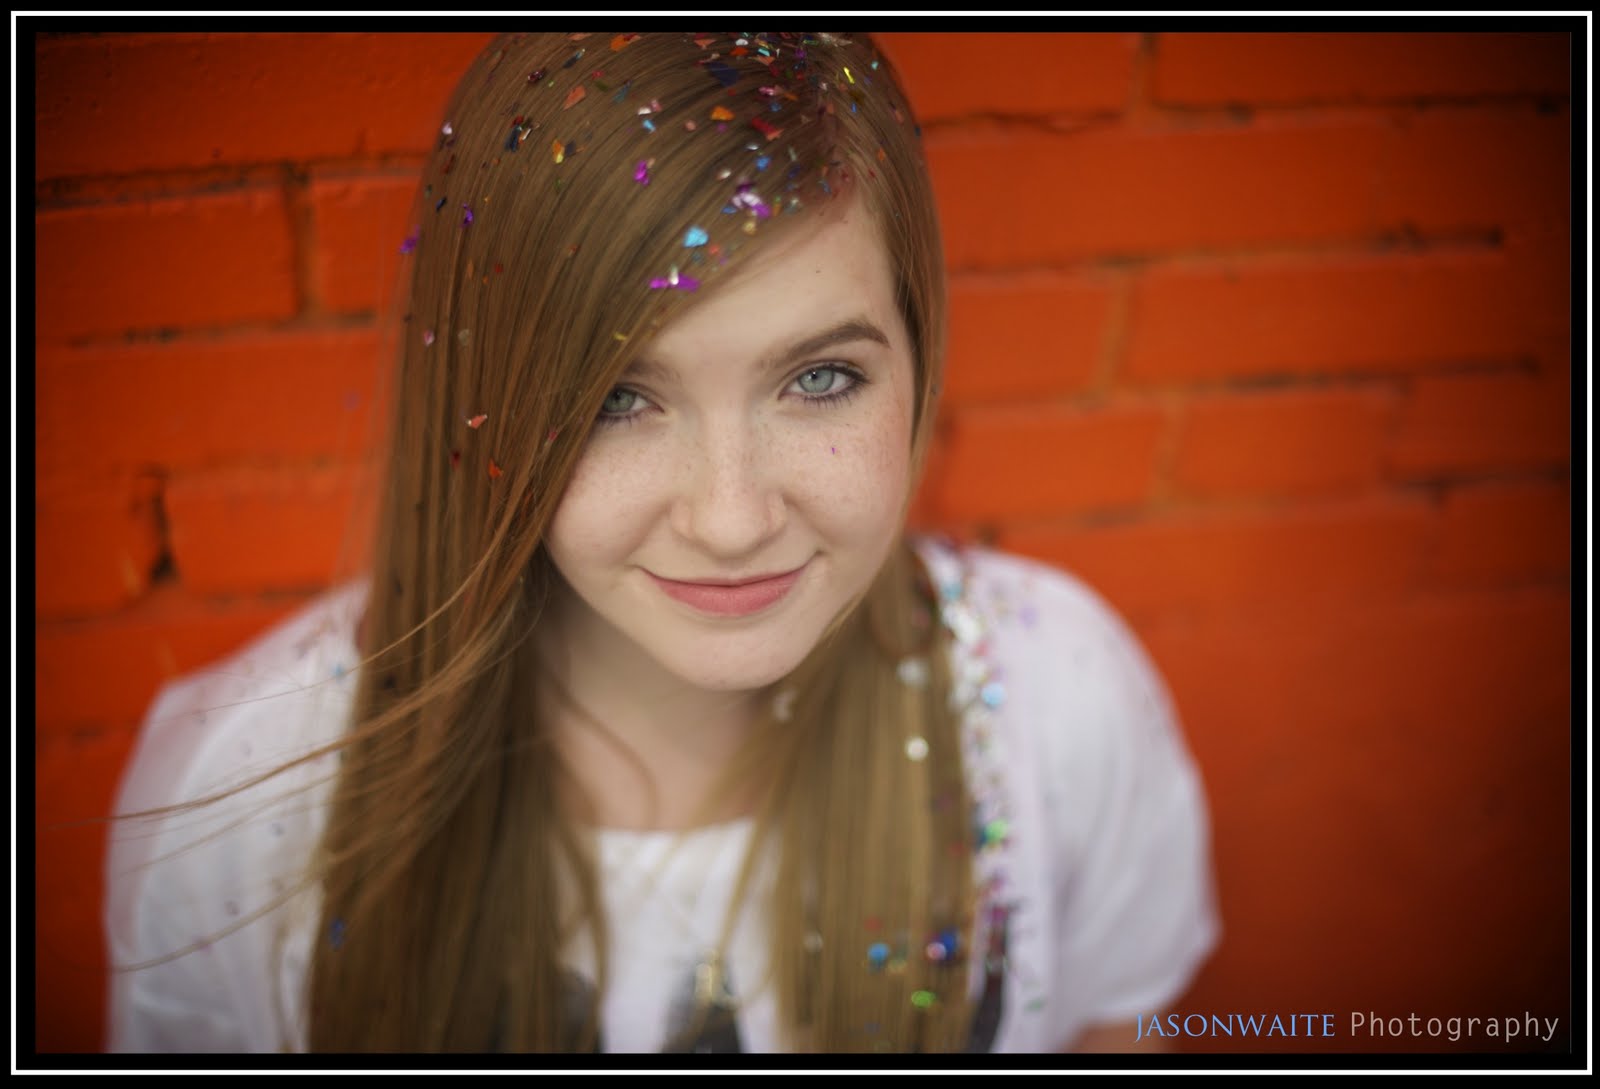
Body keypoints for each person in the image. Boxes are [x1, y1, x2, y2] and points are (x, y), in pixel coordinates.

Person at [105, 31, 1218, 1055]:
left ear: (919, 361)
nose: (731, 521)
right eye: (616, 399)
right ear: (483, 404)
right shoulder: (244, 799)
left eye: (820, 378)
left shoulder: (1052, 702)